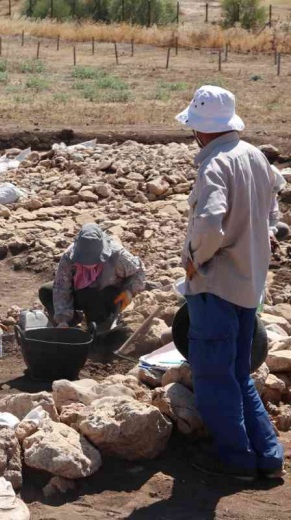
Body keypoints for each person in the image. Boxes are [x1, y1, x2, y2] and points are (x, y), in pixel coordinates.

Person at [177, 85, 284, 481]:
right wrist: (268, 229)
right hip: (248, 285)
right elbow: (275, 200)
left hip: (216, 285)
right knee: (239, 374)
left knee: (214, 377)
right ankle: (270, 457)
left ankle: (236, 461)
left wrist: (193, 258)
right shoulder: (255, 156)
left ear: (200, 131)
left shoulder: (215, 165)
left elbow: (209, 223)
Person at [39, 223, 145, 331]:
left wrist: (129, 290)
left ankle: (98, 328)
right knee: (46, 291)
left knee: (94, 319)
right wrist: (63, 319)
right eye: (84, 260)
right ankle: (72, 322)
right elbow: (61, 287)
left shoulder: (117, 255)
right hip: (81, 292)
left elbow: (139, 272)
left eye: (92, 260)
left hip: (107, 295)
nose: (88, 264)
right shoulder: (69, 257)